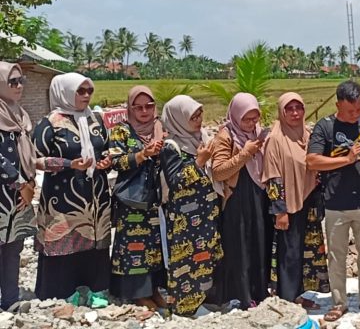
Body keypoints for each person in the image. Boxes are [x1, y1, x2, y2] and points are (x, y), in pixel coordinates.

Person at [306, 80, 360, 322]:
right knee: (337, 255)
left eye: (359, 109)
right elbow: (312, 161)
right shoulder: (325, 127)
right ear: (338, 104)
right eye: (351, 111)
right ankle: (338, 303)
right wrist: (346, 160)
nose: (356, 114)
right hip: (335, 203)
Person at [33, 73, 112, 301]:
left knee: (95, 246)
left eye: (89, 91)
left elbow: (104, 149)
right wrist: (69, 164)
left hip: (96, 196)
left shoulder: (96, 119)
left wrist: (106, 161)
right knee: (64, 244)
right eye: (80, 91)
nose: (86, 95)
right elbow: (35, 159)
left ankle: (94, 289)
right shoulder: (50, 123)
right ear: (65, 92)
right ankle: (63, 293)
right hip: (63, 198)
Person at [160, 95, 223, 316]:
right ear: (178, 119)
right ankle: (185, 307)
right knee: (185, 262)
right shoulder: (171, 146)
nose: (198, 120)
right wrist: (199, 161)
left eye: (199, 114)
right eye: (192, 117)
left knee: (206, 256)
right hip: (184, 218)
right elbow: (175, 182)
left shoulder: (202, 138)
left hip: (205, 211)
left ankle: (204, 301)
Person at [263, 92, 327, 309]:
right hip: (288, 204)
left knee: (302, 250)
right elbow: (273, 176)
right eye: (289, 109)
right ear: (281, 112)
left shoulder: (307, 135)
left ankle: (298, 294)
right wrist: (280, 210)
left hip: (307, 200)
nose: (295, 113)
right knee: (288, 252)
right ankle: (287, 297)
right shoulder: (275, 139)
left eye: (298, 108)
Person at [209, 93, 270, 310]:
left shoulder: (257, 133)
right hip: (237, 198)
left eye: (255, 118)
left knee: (259, 243)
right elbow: (218, 172)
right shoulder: (225, 136)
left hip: (258, 196)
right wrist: (245, 154)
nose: (252, 124)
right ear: (236, 116)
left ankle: (260, 291)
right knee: (240, 247)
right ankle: (243, 296)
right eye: (247, 119)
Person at [108, 86, 166, 309]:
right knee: (134, 246)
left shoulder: (160, 128)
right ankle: (135, 293)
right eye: (138, 107)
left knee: (155, 245)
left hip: (155, 197)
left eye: (149, 106)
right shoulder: (121, 131)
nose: (144, 111)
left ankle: (154, 289)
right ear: (130, 108)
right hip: (131, 198)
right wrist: (142, 155)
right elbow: (116, 161)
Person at [0, 62, 37, 310]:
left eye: (21, 80)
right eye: (12, 81)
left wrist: (31, 182)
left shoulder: (20, 116)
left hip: (19, 195)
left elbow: (32, 157)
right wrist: (20, 182)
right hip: (5, 191)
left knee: (13, 246)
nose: (18, 86)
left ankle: (10, 299)